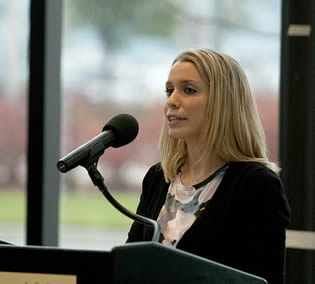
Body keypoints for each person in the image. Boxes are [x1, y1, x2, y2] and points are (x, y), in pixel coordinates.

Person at [126, 48, 291, 284]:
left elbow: (264, 280)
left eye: (188, 90)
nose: (172, 101)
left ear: (223, 103)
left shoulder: (256, 184)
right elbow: (128, 263)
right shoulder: (159, 176)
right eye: (169, 90)